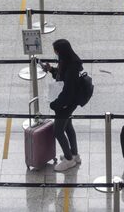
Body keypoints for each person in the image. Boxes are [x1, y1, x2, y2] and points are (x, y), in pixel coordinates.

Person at [41, 39, 83, 172]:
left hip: (66, 104)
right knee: (68, 127)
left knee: (58, 131)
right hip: (68, 102)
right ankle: (74, 154)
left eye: (56, 51)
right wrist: (51, 69)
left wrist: (57, 104)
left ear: (61, 51)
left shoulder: (71, 66)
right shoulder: (67, 60)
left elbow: (68, 90)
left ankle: (69, 159)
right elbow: (61, 76)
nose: (55, 53)